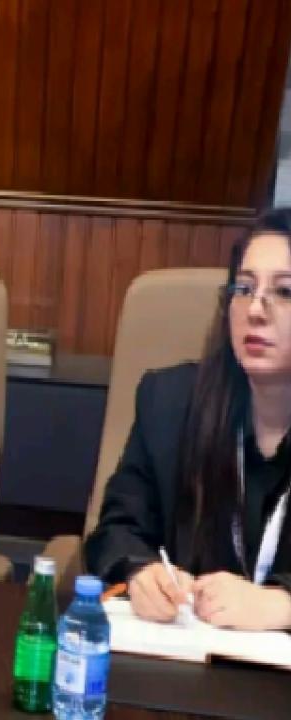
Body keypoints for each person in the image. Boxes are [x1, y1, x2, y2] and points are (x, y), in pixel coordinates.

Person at [87, 210, 291, 631]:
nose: (256, 309)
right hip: (185, 657)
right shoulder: (170, 403)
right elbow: (117, 530)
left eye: (284, 292)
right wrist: (140, 572)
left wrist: (282, 606)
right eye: (244, 288)